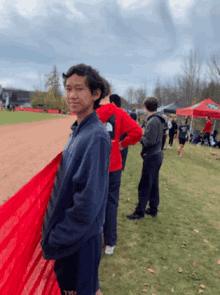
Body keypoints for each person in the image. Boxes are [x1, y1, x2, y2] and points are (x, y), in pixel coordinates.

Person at [41, 64, 111, 295]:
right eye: (68, 88)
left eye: (79, 89)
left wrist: (59, 236)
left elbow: (88, 200)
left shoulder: (96, 136)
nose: (71, 95)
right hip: (72, 236)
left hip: (79, 239)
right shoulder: (79, 130)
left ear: (95, 94)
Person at [97, 81, 143, 255]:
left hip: (95, 166)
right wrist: (122, 144)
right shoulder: (120, 113)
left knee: (94, 202)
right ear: (109, 92)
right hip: (113, 165)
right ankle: (110, 243)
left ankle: (95, 240)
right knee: (111, 203)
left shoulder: (90, 112)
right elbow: (137, 133)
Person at [127, 97, 165, 220]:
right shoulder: (158, 120)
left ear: (146, 107)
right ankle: (153, 209)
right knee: (153, 184)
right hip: (156, 154)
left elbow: (149, 141)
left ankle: (140, 211)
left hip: (152, 156)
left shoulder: (153, 121)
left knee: (144, 184)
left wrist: (140, 137)